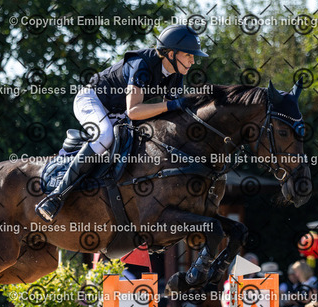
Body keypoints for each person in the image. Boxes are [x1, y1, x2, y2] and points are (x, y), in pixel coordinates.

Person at [36, 24, 208, 222]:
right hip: (92, 99)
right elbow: (134, 110)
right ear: (171, 54)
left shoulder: (175, 74)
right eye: (188, 55)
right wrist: (171, 105)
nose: (193, 61)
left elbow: (172, 115)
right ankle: (57, 195)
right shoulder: (141, 64)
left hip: (118, 112)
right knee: (105, 136)